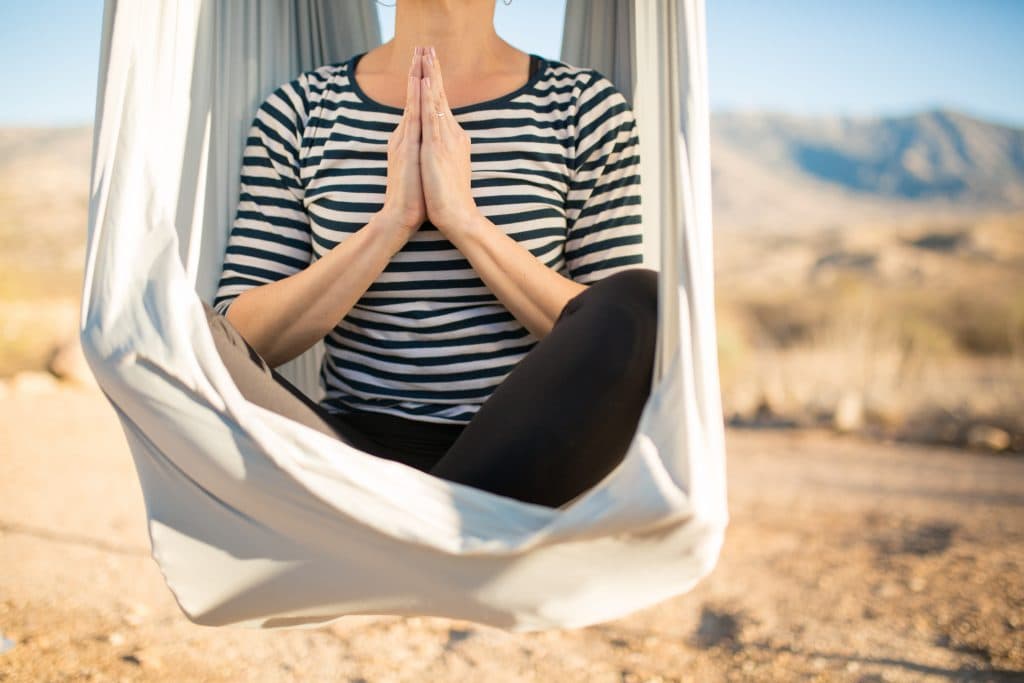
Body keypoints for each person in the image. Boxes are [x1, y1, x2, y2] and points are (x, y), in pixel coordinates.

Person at [205, 0, 658, 509]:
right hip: (348, 453)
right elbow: (239, 332)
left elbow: (611, 327)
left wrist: (462, 220)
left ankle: (433, 528)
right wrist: (391, 223)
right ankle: (442, 535)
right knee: (179, 323)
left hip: (524, 453)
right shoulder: (302, 109)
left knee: (648, 303)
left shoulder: (583, 107)